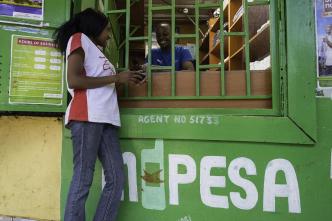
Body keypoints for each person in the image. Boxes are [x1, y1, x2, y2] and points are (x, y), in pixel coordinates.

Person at [54, 8, 143, 221]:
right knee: (83, 178)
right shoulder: (79, 39)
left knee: (116, 178)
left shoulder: (98, 50)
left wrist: (128, 79)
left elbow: (106, 86)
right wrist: (115, 78)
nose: (109, 35)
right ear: (93, 28)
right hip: (87, 117)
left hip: (107, 120)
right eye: (106, 30)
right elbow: (74, 81)